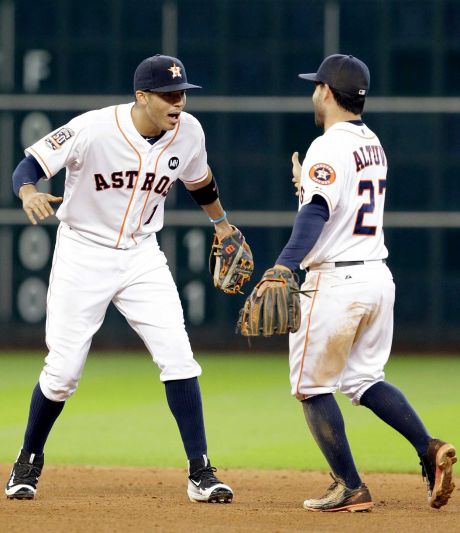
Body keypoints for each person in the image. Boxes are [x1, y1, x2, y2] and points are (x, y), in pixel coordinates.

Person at [5, 54, 238, 504]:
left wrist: (222, 223)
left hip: (141, 255)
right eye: (169, 95)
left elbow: (200, 181)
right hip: (82, 252)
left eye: (183, 94)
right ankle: (28, 459)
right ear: (142, 97)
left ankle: (200, 471)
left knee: (178, 357)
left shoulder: (188, 133)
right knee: (62, 374)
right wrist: (29, 192)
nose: (179, 103)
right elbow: (29, 165)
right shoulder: (93, 128)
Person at [257, 54, 456, 511]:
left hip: (336, 281)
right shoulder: (372, 142)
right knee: (364, 379)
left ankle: (349, 485)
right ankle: (428, 447)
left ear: (327, 91)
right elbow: (333, 203)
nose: (314, 93)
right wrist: (308, 189)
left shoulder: (326, 146)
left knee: (310, 386)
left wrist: (286, 264)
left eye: (316, 86)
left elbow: (317, 213)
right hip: (376, 276)